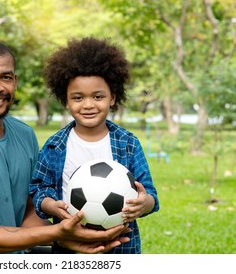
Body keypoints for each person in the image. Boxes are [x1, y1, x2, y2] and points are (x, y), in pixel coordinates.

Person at [0, 39, 131, 254]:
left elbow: (28, 212)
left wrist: (72, 239)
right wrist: (57, 234)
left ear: (15, 82)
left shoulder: (24, 134)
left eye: (5, 77)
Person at [29, 37, 159, 254]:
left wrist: (144, 203)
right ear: (66, 101)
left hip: (121, 247)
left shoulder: (127, 143)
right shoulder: (55, 146)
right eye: (78, 98)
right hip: (69, 246)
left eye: (98, 96)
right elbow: (39, 189)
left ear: (112, 98)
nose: (88, 105)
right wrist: (52, 206)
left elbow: (149, 194)